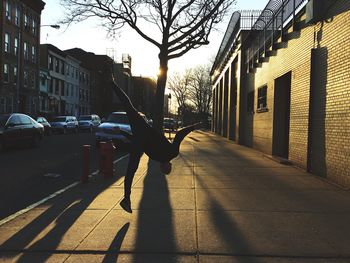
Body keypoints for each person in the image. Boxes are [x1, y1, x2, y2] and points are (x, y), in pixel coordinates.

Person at [111, 77, 199, 213]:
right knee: (131, 171)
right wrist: (122, 132)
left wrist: (193, 127)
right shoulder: (154, 156)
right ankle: (126, 198)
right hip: (140, 134)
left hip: (143, 129)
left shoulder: (172, 153)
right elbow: (137, 141)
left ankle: (112, 82)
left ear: (169, 165)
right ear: (161, 166)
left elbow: (180, 134)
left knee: (128, 106)